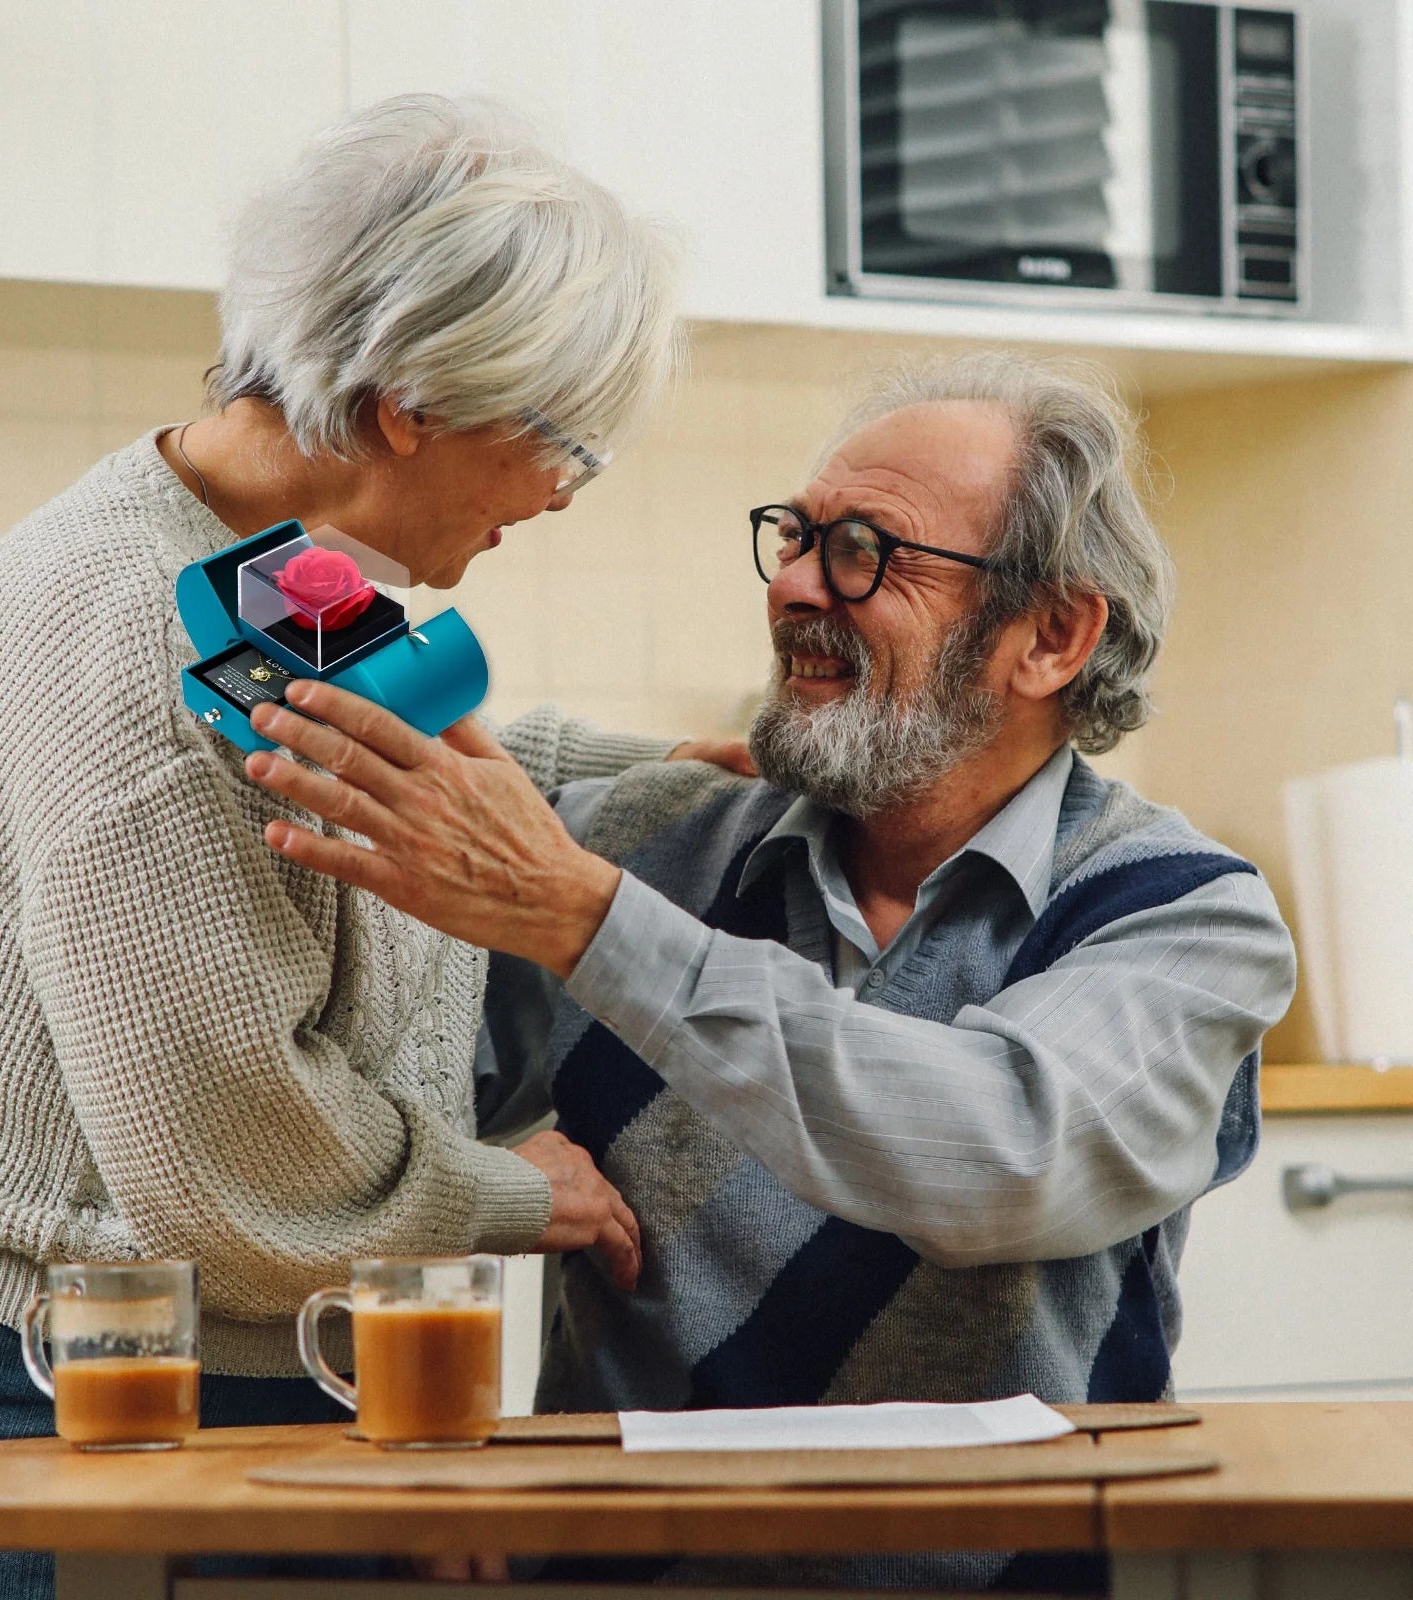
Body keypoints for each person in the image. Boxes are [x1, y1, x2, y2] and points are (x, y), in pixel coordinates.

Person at [0, 93, 707, 1600]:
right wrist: (512, 1193)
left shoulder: (260, 554)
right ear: (407, 402)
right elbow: (231, 1157)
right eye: (559, 440)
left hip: (195, 1337)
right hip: (17, 1374)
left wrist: (673, 771)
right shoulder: (130, 637)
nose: (561, 489)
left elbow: (423, 756)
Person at [240, 352, 1297, 1591]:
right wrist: (471, 1186)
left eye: (863, 550)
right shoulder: (638, 841)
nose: (796, 585)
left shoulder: (1182, 913)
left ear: (1050, 635)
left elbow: (998, 1150)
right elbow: (350, 1106)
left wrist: (592, 921)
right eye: (793, 537)